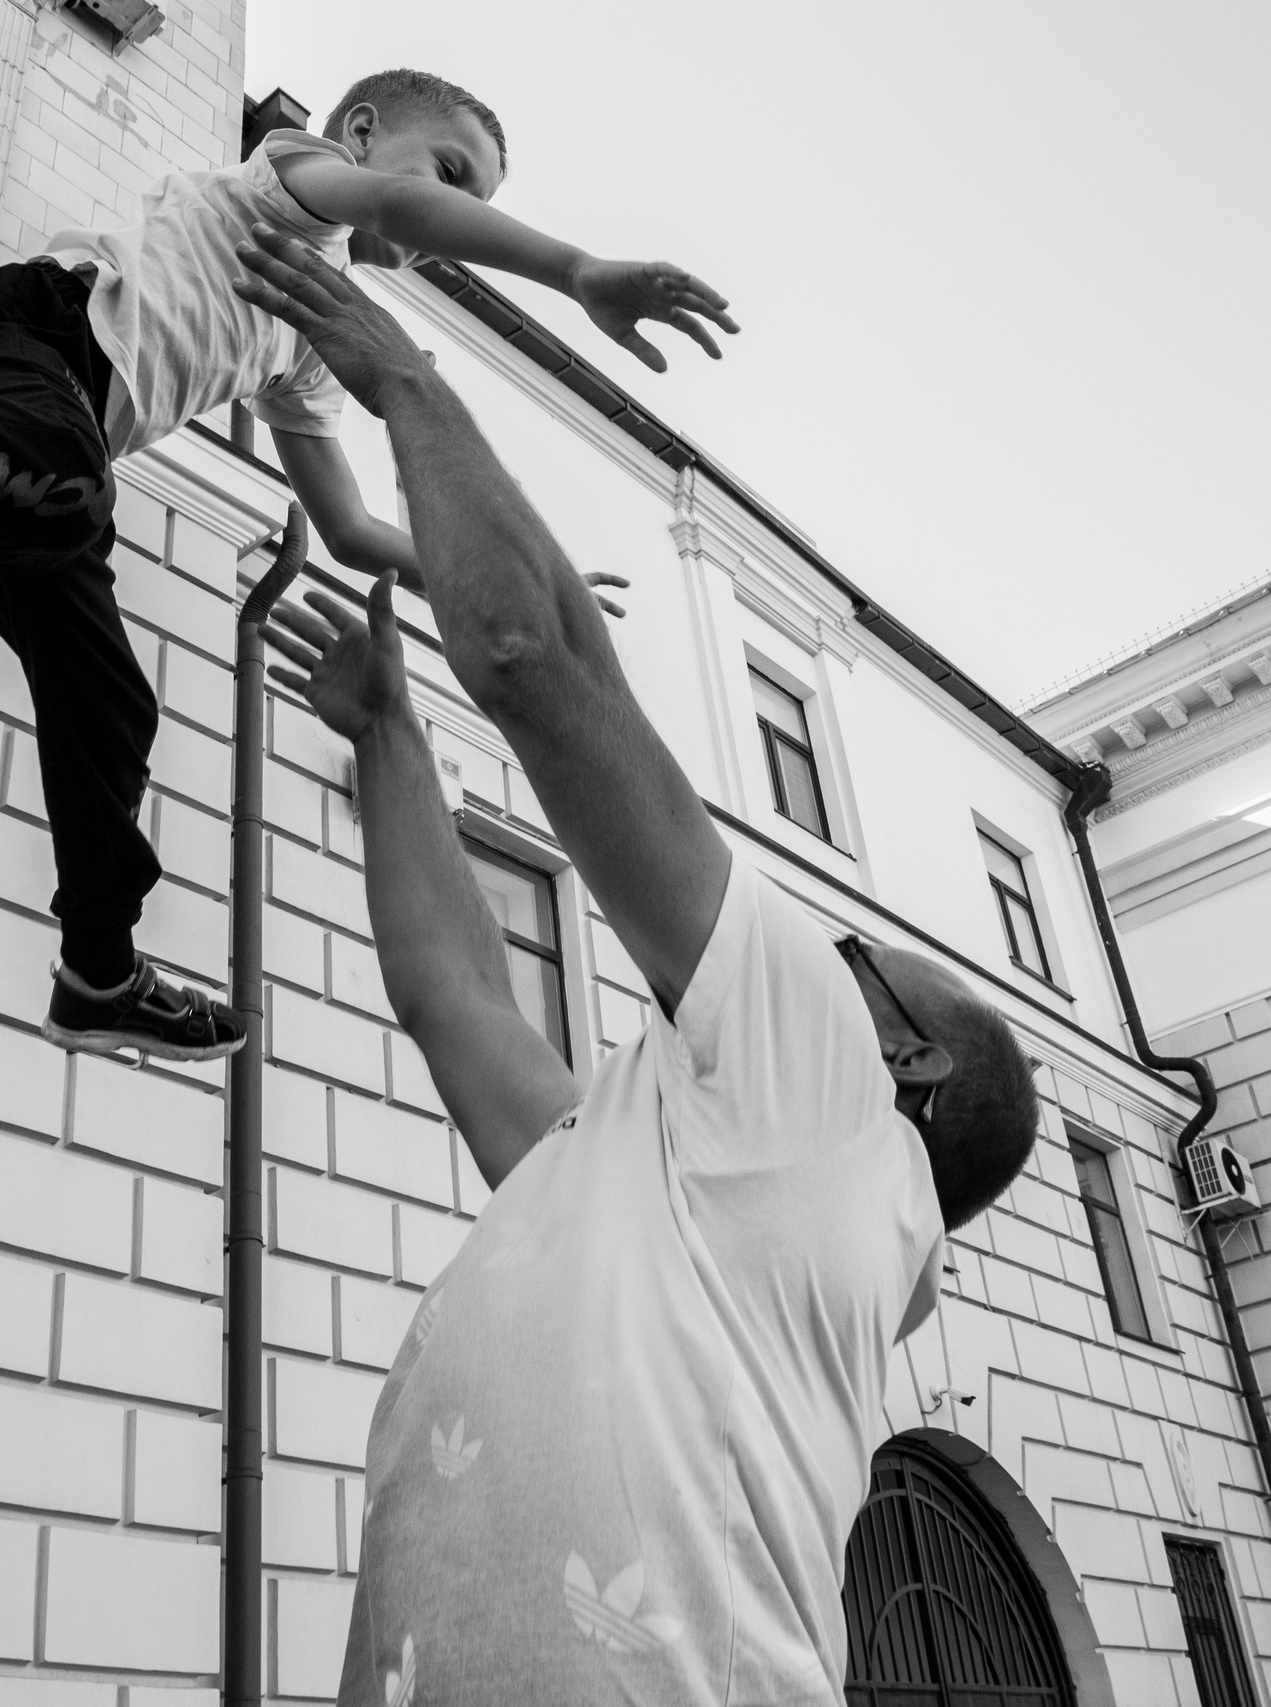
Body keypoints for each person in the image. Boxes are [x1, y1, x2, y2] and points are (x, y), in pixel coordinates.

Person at [239, 226, 1039, 1705]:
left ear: (906, 1063)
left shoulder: (832, 1103)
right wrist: (387, 741)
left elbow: (534, 651)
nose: (823, 942)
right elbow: (456, 997)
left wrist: (403, 374)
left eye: (864, 960)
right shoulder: (687, 1180)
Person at [0, 68, 731, 1061]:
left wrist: (526, 574)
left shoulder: (307, 349)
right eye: (453, 171)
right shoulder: (304, 181)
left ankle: (98, 970)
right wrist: (575, 270)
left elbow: (353, 533)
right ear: (367, 134)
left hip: (31, 470)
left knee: (111, 707)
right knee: (64, 477)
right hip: (28, 344)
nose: (449, 211)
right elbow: (390, 204)